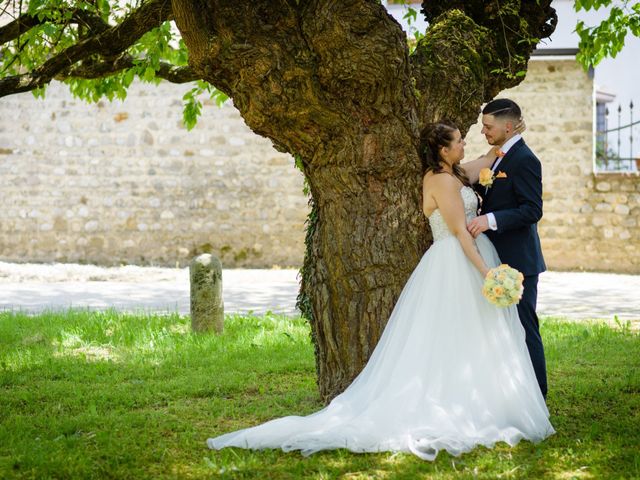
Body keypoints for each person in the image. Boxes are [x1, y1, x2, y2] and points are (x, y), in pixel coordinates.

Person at [206, 120, 555, 461]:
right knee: (451, 333)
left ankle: (483, 396)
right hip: (457, 260)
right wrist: (488, 273)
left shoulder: (455, 173)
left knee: (473, 334)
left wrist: (506, 140)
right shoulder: (442, 182)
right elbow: (461, 233)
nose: (466, 145)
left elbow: (484, 161)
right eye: (460, 141)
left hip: (467, 258)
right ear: (444, 150)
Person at [467, 98, 548, 399]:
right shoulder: (498, 157)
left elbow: (531, 210)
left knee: (525, 328)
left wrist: (490, 219)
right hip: (496, 257)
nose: (483, 131)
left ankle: (538, 394)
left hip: (519, 260)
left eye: (488, 126)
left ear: (508, 126)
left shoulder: (525, 160)